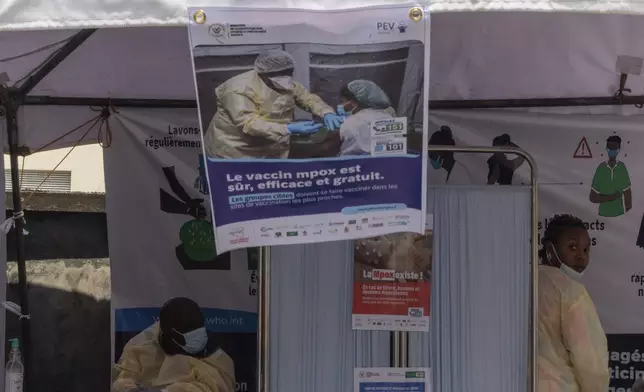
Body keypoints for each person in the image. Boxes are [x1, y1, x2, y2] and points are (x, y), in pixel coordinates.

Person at [203, 50, 343, 159]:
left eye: (288, 73)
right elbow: (249, 123)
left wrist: (326, 112)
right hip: (234, 149)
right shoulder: (238, 89)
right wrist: (288, 129)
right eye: (279, 75)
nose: (285, 79)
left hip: (270, 144)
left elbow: (307, 99)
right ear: (262, 74)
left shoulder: (287, 82)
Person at [538, 214, 609, 392]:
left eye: (586, 250)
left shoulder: (519, 281)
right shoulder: (571, 292)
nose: (581, 256)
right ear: (549, 250)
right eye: (573, 247)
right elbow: (590, 362)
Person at [112, 297, 235, 392]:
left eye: (198, 328)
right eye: (189, 330)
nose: (198, 337)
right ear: (170, 334)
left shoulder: (219, 359)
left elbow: (217, 388)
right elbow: (121, 381)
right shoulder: (140, 347)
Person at [334, 80, 395, 156]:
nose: (341, 105)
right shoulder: (388, 117)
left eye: (342, 101)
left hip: (354, 166)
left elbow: (330, 147)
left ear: (353, 103)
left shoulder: (350, 123)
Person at [589, 135, 632, 217]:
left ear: (618, 150)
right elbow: (592, 197)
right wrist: (611, 197)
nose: (611, 151)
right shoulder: (601, 168)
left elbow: (628, 195)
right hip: (602, 216)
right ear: (606, 149)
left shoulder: (621, 168)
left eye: (614, 149)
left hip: (620, 216)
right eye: (609, 149)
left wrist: (628, 217)